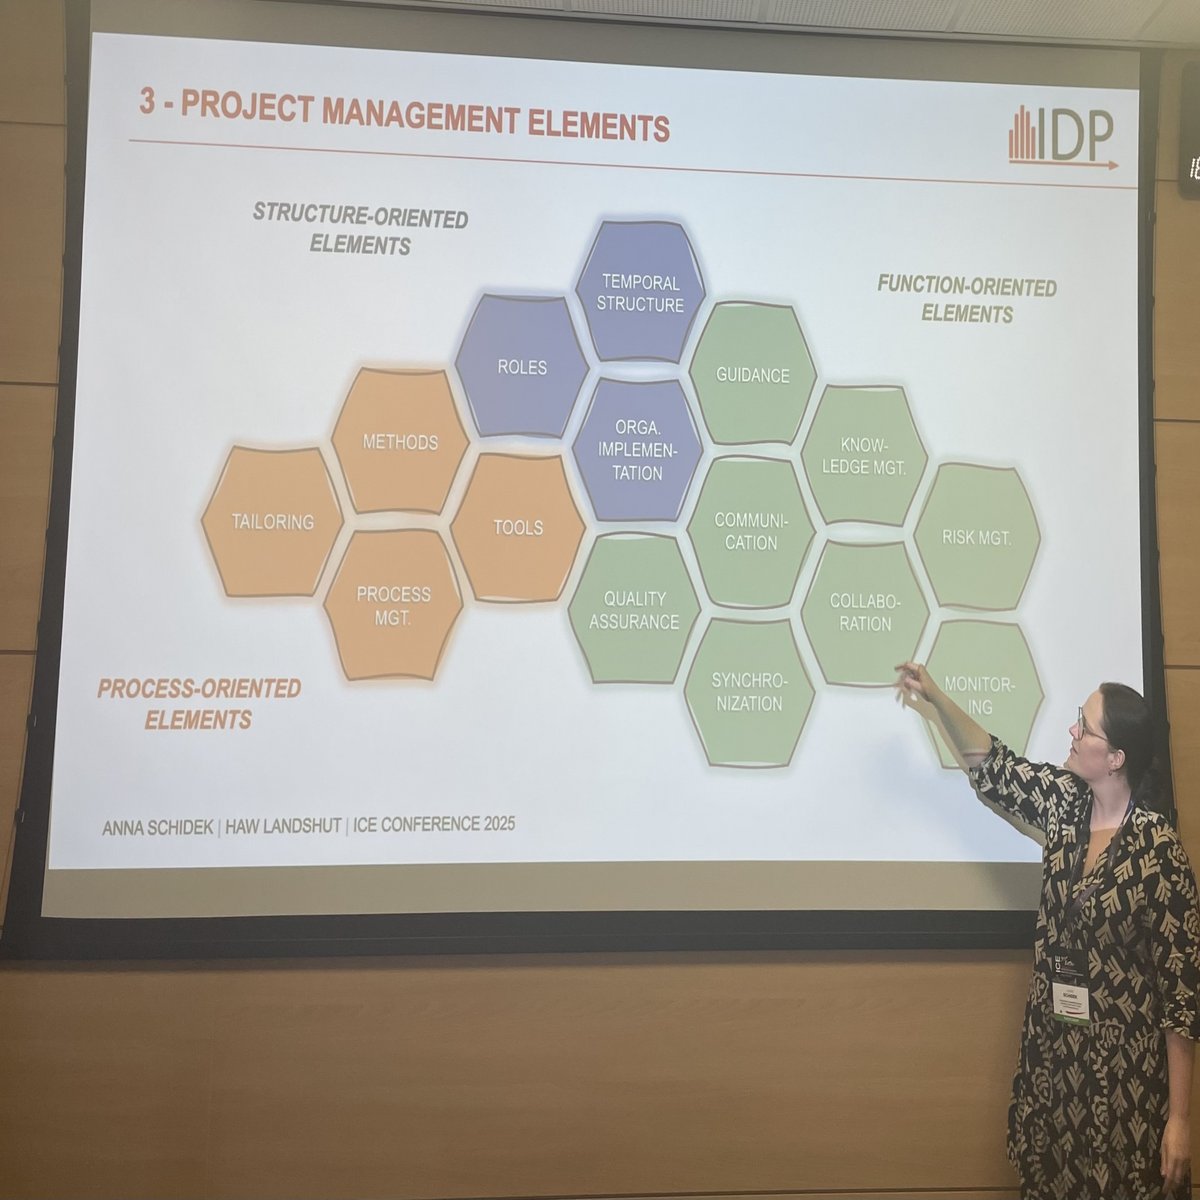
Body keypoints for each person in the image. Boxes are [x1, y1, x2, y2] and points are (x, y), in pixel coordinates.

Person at [895, 664, 1200, 1200]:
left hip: (1123, 1085)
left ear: (1116, 758)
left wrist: (1179, 1119)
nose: (1072, 731)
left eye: (1084, 726)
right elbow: (994, 766)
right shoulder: (1066, 805)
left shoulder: (1158, 849)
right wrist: (935, 694)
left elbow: (1182, 996)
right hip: (1055, 1067)